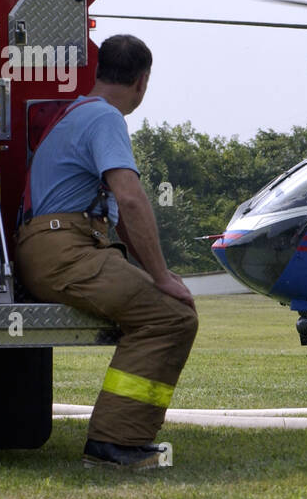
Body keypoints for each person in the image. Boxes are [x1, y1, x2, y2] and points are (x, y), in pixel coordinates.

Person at [14, 34, 198, 470]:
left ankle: (117, 439)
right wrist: (163, 277)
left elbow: (119, 217)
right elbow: (131, 199)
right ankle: (115, 444)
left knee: (162, 311)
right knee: (171, 316)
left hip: (51, 247)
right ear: (142, 80)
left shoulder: (76, 112)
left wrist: (151, 274)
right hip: (65, 249)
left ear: (99, 71)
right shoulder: (105, 119)